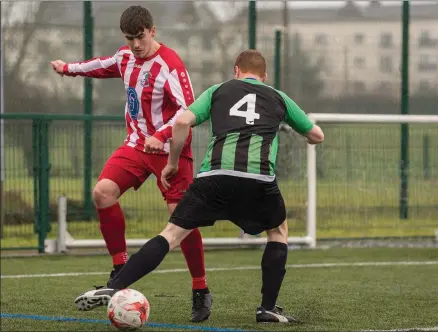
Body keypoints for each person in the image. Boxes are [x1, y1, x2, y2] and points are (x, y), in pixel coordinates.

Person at [74, 50, 324, 323]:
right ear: (264, 77)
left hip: (213, 177)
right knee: (277, 232)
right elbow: (316, 135)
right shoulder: (277, 96)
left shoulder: (218, 90)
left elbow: (182, 121)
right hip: (258, 180)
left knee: (171, 235)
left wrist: (172, 162)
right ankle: (267, 308)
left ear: (236, 71)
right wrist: (298, 133)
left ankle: (116, 284)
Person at [50, 5, 211, 322]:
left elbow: (188, 112)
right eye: (129, 38)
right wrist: (67, 68)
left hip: (171, 151)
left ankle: (200, 289)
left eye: (140, 37)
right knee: (102, 193)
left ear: (152, 31)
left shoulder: (171, 66)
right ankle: (120, 269)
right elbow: (100, 66)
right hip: (136, 145)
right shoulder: (125, 57)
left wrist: (162, 134)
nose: (135, 44)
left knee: (181, 220)